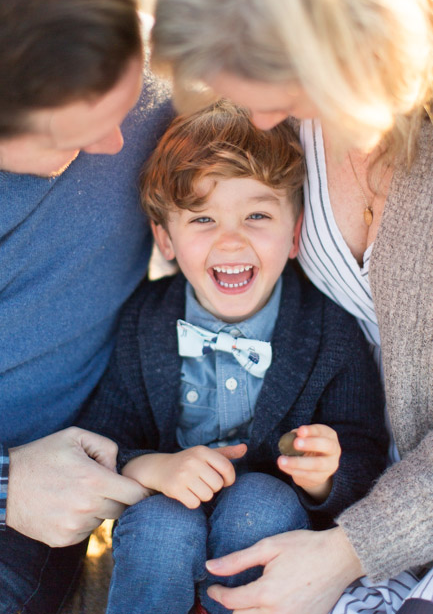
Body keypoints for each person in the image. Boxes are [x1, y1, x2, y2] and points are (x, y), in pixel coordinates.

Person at [150, 0, 433, 613]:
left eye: (282, 87)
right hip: (361, 481)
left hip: (386, 521)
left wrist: (349, 550)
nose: (259, 116)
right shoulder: (281, 130)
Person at [76, 100, 388, 614]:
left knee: (259, 501)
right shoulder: (144, 322)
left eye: (257, 214)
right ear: (165, 237)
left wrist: (327, 475)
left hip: (268, 530)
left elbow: (364, 449)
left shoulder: (328, 328)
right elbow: (104, 438)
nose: (230, 239)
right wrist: (154, 467)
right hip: (166, 532)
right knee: (160, 523)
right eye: (202, 218)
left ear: (294, 234)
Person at [0, 0, 173, 611]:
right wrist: (5, 484)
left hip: (44, 511)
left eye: (128, 102)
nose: (117, 143)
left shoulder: (138, 65)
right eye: (72, 137)